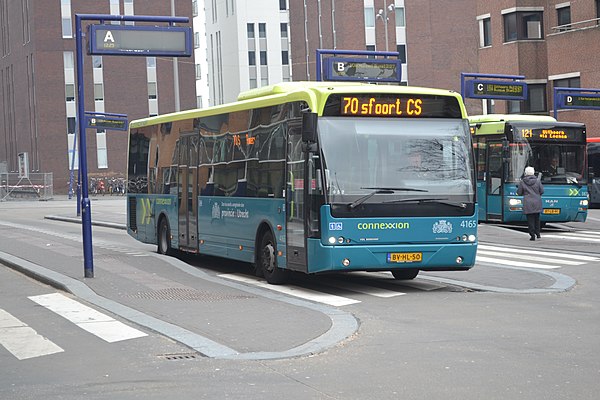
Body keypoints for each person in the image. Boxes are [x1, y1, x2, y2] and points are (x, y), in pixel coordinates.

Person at [517, 166, 544, 241]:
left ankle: (532, 235)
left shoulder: (522, 182)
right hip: (537, 201)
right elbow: (542, 191)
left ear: (525, 173)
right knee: (537, 218)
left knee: (530, 219)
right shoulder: (538, 181)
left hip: (528, 202)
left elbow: (519, 192)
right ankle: (538, 233)